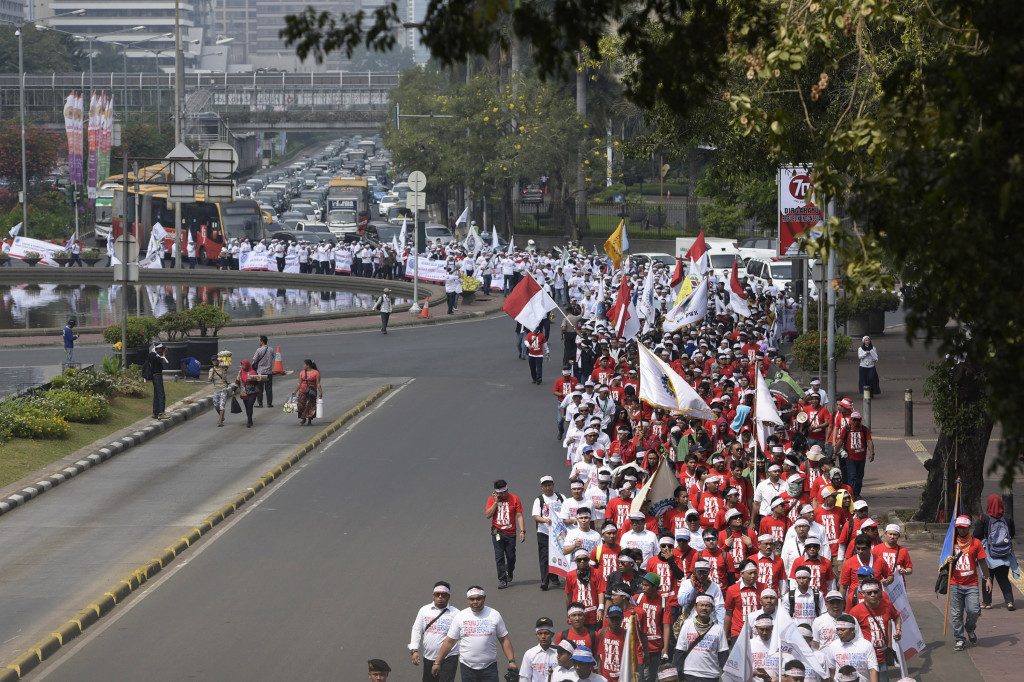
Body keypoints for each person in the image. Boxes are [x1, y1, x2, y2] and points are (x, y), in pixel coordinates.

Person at [434, 587, 518, 681]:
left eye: (478, 598)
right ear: (467, 599)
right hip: (467, 668)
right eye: (472, 599)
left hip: (489, 667)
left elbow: (504, 639)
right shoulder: (460, 616)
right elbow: (449, 641)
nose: (475, 602)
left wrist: (511, 661)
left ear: (484, 598)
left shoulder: (494, 615)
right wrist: (437, 662)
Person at [948, 514, 993, 651]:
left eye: (964, 528)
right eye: (959, 527)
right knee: (956, 614)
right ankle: (959, 639)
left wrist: (988, 578)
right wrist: (947, 560)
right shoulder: (951, 542)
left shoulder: (976, 543)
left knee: (973, 611)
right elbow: (942, 561)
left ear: (969, 528)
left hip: (971, 584)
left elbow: (982, 562)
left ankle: (970, 628)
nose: (962, 530)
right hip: (955, 583)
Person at [975, 493, 1019, 610]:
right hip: (1004, 554)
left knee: (987, 578)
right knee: (1003, 578)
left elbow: (977, 535)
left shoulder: (984, 517)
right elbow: (1012, 534)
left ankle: (987, 602)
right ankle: (1009, 602)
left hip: (988, 555)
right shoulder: (1008, 517)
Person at [409, 581, 459, 682]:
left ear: (448, 596)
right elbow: (416, 630)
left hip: (449, 657)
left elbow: (461, 636)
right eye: (437, 594)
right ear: (433, 596)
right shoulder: (424, 610)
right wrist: (414, 650)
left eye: (444, 595)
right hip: (429, 656)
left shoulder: (456, 613)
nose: (440, 597)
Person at [673, 595, 729, 681]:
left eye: (707, 605)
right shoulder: (687, 625)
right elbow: (680, 650)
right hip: (689, 673)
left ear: (712, 608)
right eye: (701, 605)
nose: (704, 608)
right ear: (695, 607)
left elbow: (723, 655)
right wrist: (678, 672)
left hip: (711, 675)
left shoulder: (718, 629)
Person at [485, 479, 526, 588]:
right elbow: (488, 515)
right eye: (501, 493)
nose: (504, 494)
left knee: (511, 557)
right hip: (497, 532)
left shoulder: (515, 498)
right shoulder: (492, 500)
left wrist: (522, 531)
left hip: (511, 533)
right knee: (499, 557)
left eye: (505, 492)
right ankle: (502, 579)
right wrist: (495, 502)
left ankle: (510, 571)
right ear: (496, 493)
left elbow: (519, 515)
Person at [822, 614, 878, 682]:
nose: (839, 633)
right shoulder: (833, 646)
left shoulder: (866, 645)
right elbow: (831, 671)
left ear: (852, 629)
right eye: (838, 630)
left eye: (842, 630)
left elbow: (872, 670)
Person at [533, 475, 564, 591]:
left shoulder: (561, 497)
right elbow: (536, 516)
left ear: (553, 485)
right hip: (544, 532)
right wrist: (545, 520)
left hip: (558, 533)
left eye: (549, 485)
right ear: (542, 487)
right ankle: (544, 581)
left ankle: (554, 577)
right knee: (545, 557)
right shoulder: (539, 500)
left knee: (557, 554)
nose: (548, 488)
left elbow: (566, 511)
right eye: (545, 486)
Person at [521, 617, 559, 681]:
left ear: (552, 634)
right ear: (536, 634)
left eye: (546, 633)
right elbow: (525, 678)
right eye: (540, 633)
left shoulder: (560, 653)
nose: (543, 637)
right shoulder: (529, 654)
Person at [290, 359, 322, 426]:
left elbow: (318, 383)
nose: (303, 366)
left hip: (311, 393)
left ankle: (309, 420)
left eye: (304, 364)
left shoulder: (316, 373)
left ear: (308, 365)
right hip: (302, 392)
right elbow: (299, 383)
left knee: (310, 406)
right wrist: (295, 391)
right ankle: (303, 418)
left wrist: (320, 392)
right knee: (300, 405)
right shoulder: (302, 372)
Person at [208, 351, 233, 427]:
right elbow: (209, 380)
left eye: (216, 360)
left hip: (223, 389)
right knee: (216, 404)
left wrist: (225, 371)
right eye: (213, 360)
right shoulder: (211, 370)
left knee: (222, 405)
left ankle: (220, 420)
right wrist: (211, 375)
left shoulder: (223, 368)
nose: (214, 361)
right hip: (216, 390)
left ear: (218, 360)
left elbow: (224, 378)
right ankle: (221, 416)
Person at [252, 335, 274, 408]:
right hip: (269, 372)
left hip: (260, 372)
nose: (258, 342)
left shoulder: (259, 350)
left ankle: (260, 403)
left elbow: (254, 360)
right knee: (269, 389)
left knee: (260, 388)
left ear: (262, 341)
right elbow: (273, 357)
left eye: (259, 340)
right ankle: (269, 403)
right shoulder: (271, 349)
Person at [236, 359, 260, 428]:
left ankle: (249, 422)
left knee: (250, 406)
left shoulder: (253, 372)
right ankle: (250, 419)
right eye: (242, 365)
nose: (242, 366)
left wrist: (256, 380)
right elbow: (237, 381)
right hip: (244, 392)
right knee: (247, 407)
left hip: (253, 392)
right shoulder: (240, 372)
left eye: (243, 365)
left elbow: (257, 382)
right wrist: (234, 389)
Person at [148, 343, 168, 419]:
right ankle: (161, 413)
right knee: (161, 394)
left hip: (154, 376)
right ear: (158, 348)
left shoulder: (152, 354)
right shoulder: (154, 355)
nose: (162, 350)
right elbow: (163, 361)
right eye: (161, 349)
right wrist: (164, 353)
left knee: (156, 394)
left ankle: (155, 412)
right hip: (157, 376)